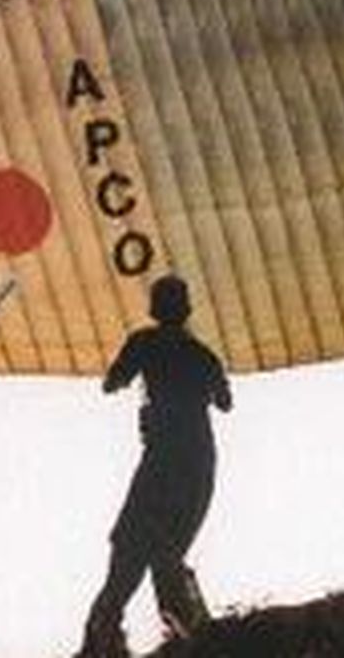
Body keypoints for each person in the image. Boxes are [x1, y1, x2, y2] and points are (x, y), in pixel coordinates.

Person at [78, 274, 233, 657]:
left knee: (128, 556)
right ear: (186, 311)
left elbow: (112, 382)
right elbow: (225, 401)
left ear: (154, 309)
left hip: (163, 462)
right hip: (197, 464)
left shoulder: (145, 343)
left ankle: (100, 643)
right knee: (167, 558)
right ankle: (195, 639)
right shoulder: (203, 354)